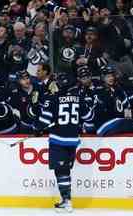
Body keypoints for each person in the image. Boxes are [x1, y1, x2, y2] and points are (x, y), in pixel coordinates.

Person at [34, 72, 94, 213]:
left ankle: (67, 201)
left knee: (61, 171)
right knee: (64, 171)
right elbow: (89, 116)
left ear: (59, 84)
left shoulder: (53, 98)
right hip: (73, 140)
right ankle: (66, 200)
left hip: (58, 140)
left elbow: (44, 121)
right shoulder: (79, 98)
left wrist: (37, 129)